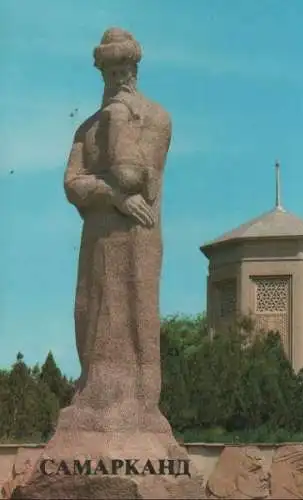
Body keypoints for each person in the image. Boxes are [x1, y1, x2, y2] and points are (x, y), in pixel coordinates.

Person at [59, 27, 172, 433]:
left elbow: (135, 176)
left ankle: (143, 408)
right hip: (99, 236)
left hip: (138, 238)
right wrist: (111, 197)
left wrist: (118, 120)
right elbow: (73, 183)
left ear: (135, 68)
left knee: (136, 316)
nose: (118, 77)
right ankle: (92, 398)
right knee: (91, 314)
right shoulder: (86, 129)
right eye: (110, 70)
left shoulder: (156, 118)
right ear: (100, 71)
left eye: (124, 68)